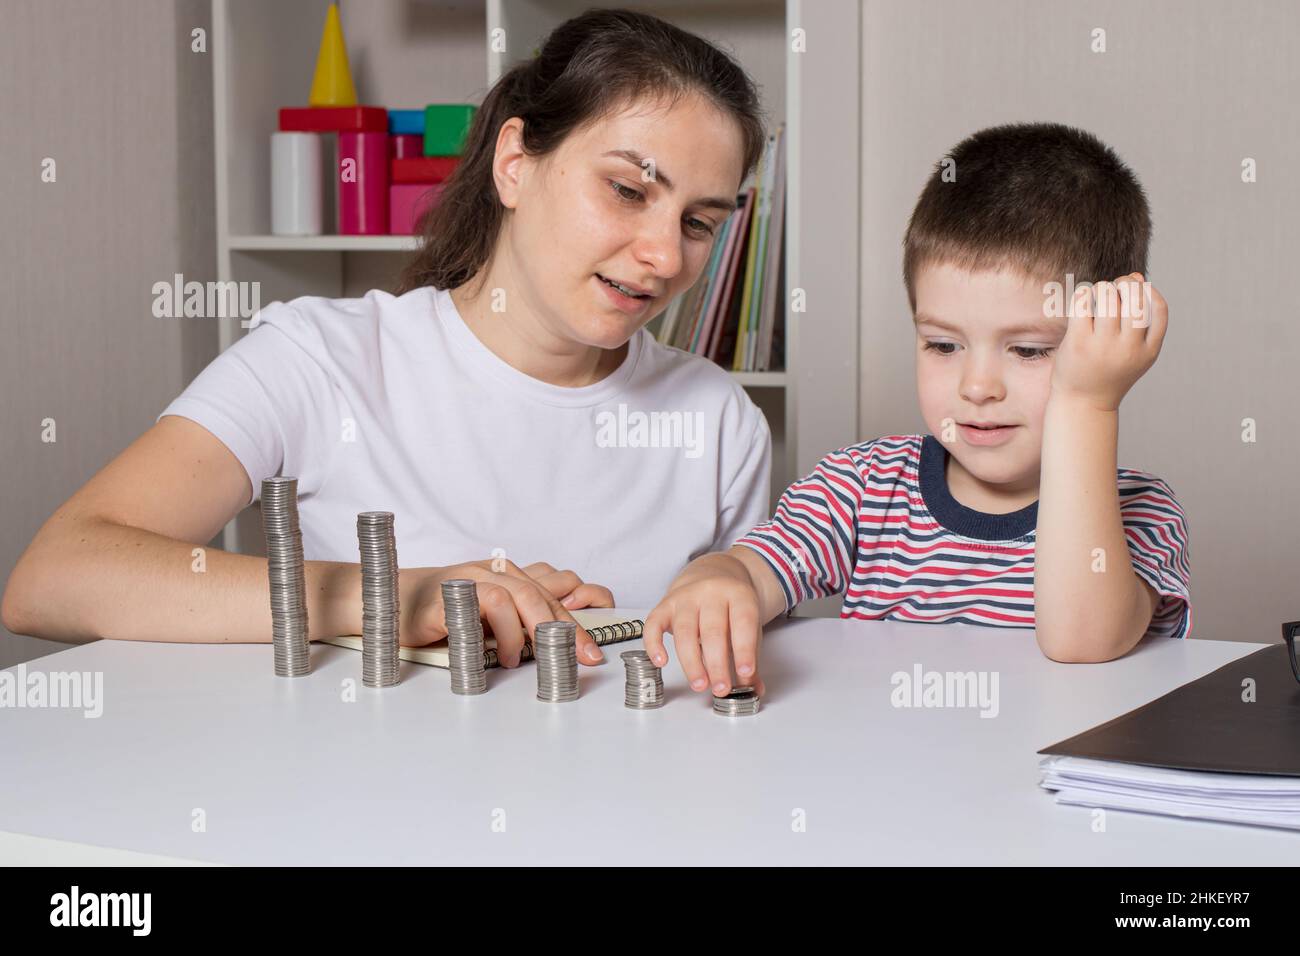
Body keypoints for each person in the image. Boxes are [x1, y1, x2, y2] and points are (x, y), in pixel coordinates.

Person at [2, 9, 773, 669]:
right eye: (629, 190)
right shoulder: (321, 358)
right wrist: (393, 595)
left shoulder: (717, 419)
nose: (666, 257)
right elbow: (57, 577)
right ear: (515, 164)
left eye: (699, 223)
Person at [645, 122, 1192, 698]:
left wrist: (1088, 403)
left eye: (1029, 350)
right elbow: (761, 570)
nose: (977, 387)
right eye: (943, 345)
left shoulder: (1142, 513)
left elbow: (1081, 640)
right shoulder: (861, 487)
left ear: (1105, 339)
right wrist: (720, 574)